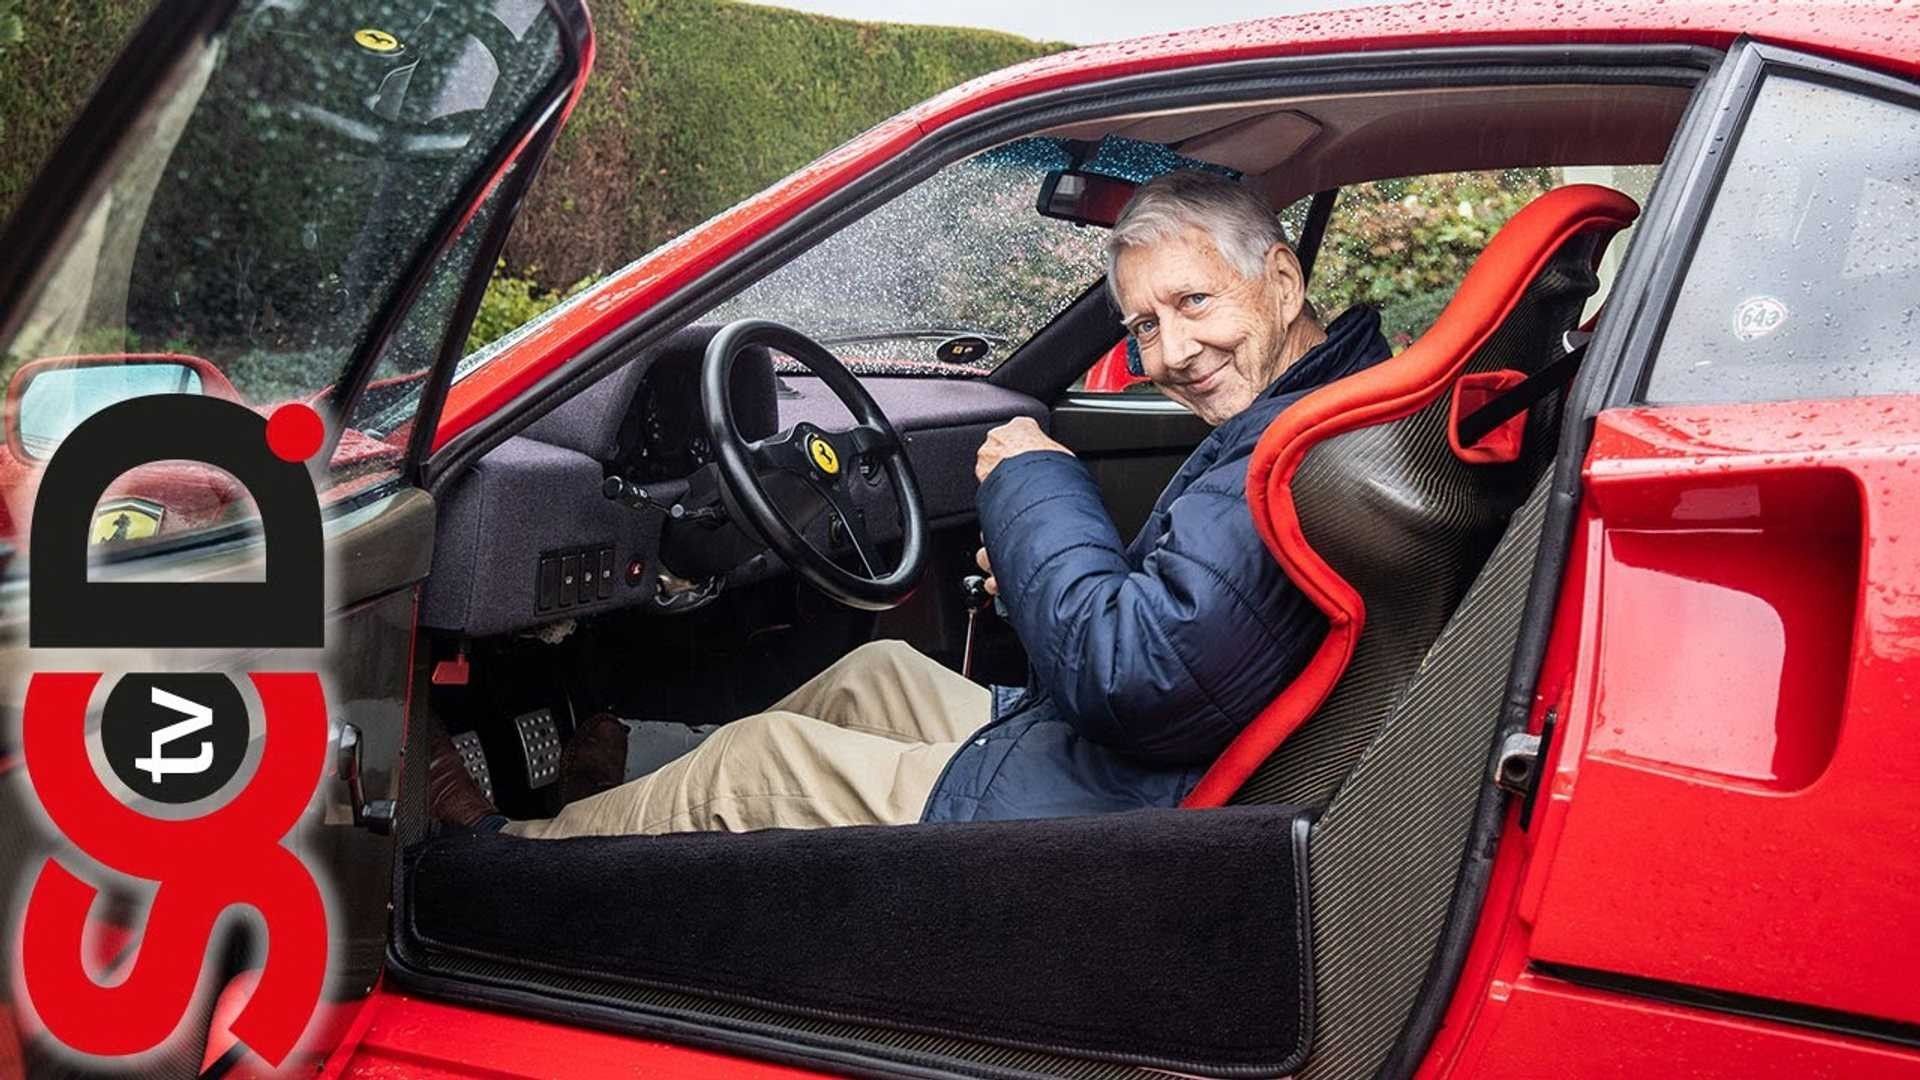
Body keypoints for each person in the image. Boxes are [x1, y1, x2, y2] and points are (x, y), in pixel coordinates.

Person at [430, 169, 1392, 837]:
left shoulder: (1291, 447)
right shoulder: (1328, 411)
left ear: (1282, 280)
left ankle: (509, 851)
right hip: (1134, 764)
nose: (1170, 354)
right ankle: (618, 778)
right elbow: (1180, 634)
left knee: (760, 764)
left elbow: (1132, 672)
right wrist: (1043, 570)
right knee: (875, 669)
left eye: (1193, 304)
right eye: (1143, 324)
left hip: (1107, 813)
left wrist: (1031, 479)